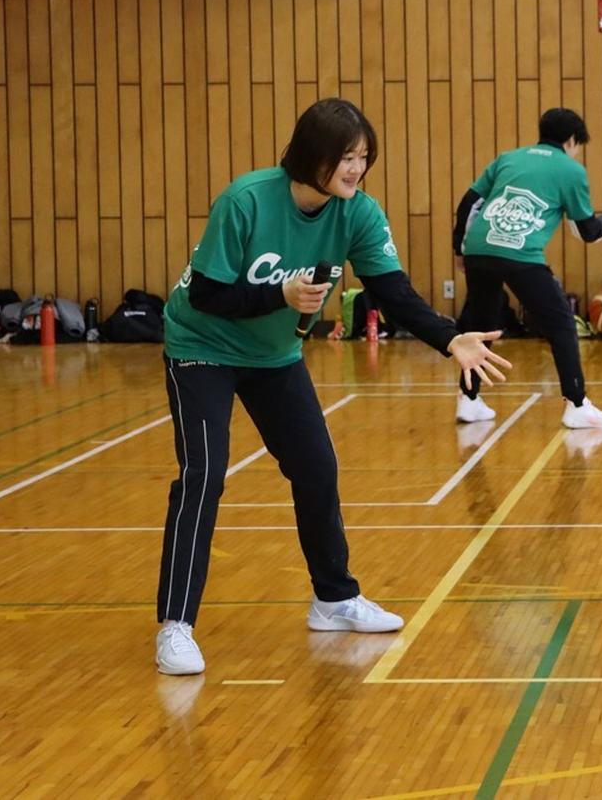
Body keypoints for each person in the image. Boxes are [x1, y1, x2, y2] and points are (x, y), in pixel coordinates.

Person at [155, 98, 511, 675]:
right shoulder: (246, 201)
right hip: (202, 350)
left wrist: (450, 340)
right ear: (311, 155)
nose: (356, 169)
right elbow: (206, 296)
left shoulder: (359, 213)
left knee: (317, 467)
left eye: (364, 157)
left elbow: (394, 290)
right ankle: (176, 625)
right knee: (203, 475)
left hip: (274, 356)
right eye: (346, 157)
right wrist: (281, 295)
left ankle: (334, 599)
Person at [452, 108, 602, 428]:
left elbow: (469, 204)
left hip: (478, 247)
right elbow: (588, 230)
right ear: (572, 140)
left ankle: (469, 399)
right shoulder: (571, 170)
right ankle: (576, 404)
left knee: (483, 323)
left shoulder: (508, 158)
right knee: (561, 321)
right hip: (520, 253)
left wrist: (460, 249)